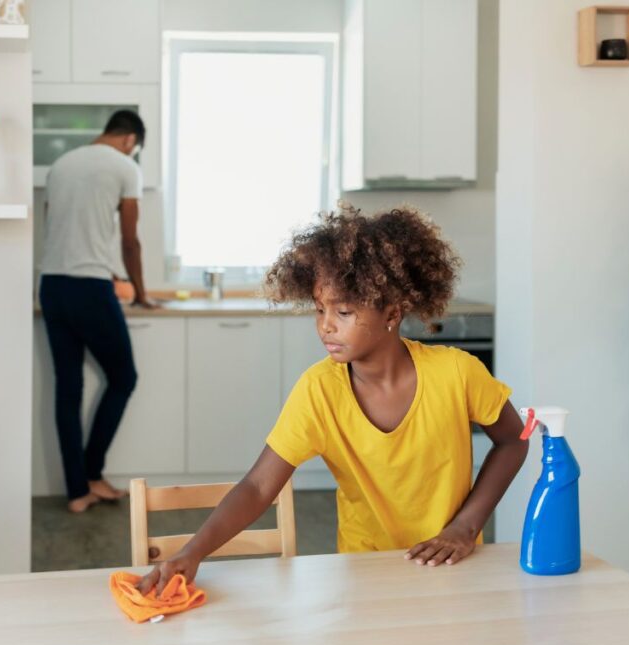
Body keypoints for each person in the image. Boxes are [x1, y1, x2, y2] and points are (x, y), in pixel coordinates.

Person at [138, 205, 528, 593]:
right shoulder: (319, 390)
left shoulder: (456, 373)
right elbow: (258, 487)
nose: (325, 325)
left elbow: (514, 440)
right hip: (363, 572)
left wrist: (465, 526)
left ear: (391, 312)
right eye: (320, 309)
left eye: (343, 311)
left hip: (451, 568)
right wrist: (192, 553)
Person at [39, 110, 157, 514]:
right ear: (131, 140)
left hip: (52, 286)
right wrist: (141, 293)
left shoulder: (61, 165)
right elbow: (130, 241)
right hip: (89, 289)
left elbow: (55, 225)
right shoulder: (125, 166)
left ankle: (78, 492)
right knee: (124, 377)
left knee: (67, 388)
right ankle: (93, 473)